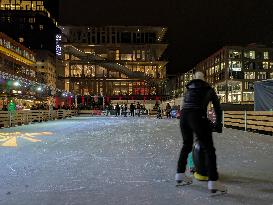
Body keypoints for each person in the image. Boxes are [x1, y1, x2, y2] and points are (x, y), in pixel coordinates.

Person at [175, 71, 227, 193]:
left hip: (184, 117)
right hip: (197, 115)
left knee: (186, 145)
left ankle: (180, 175)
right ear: (204, 80)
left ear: (194, 79)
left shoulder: (189, 90)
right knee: (208, 149)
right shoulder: (208, 89)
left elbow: (183, 106)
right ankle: (213, 182)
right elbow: (217, 109)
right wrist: (218, 125)